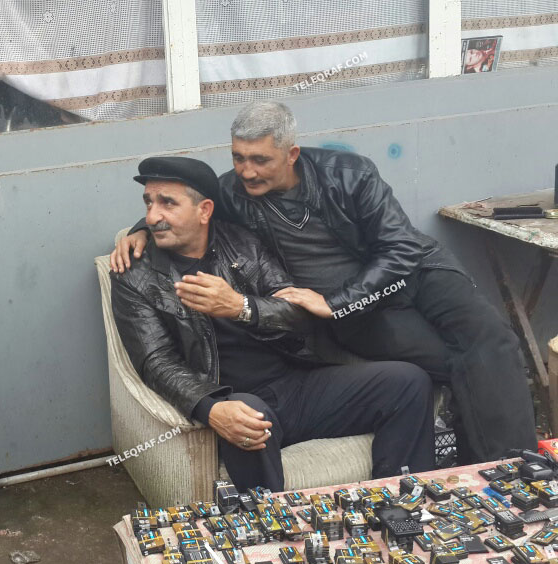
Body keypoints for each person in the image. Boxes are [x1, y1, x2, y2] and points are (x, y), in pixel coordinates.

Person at [111, 101, 536, 465]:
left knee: (494, 340)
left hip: (417, 272)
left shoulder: (349, 173)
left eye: (260, 160)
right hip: (360, 313)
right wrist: (141, 230)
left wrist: (339, 301)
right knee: (451, 362)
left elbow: (401, 246)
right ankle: (485, 472)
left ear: (291, 154)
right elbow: (181, 207)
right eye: (239, 158)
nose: (247, 171)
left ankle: (515, 471)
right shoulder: (232, 191)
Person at [110, 155, 435, 491]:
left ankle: (401, 505)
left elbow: (296, 314)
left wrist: (241, 307)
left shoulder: (242, 243)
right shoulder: (134, 274)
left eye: (167, 203)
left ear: (204, 210)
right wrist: (210, 408)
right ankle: (268, 523)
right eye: (148, 202)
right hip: (232, 397)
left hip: (295, 386)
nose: (153, 216)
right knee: (249, 416)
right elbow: (156, 361)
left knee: (407, 382)